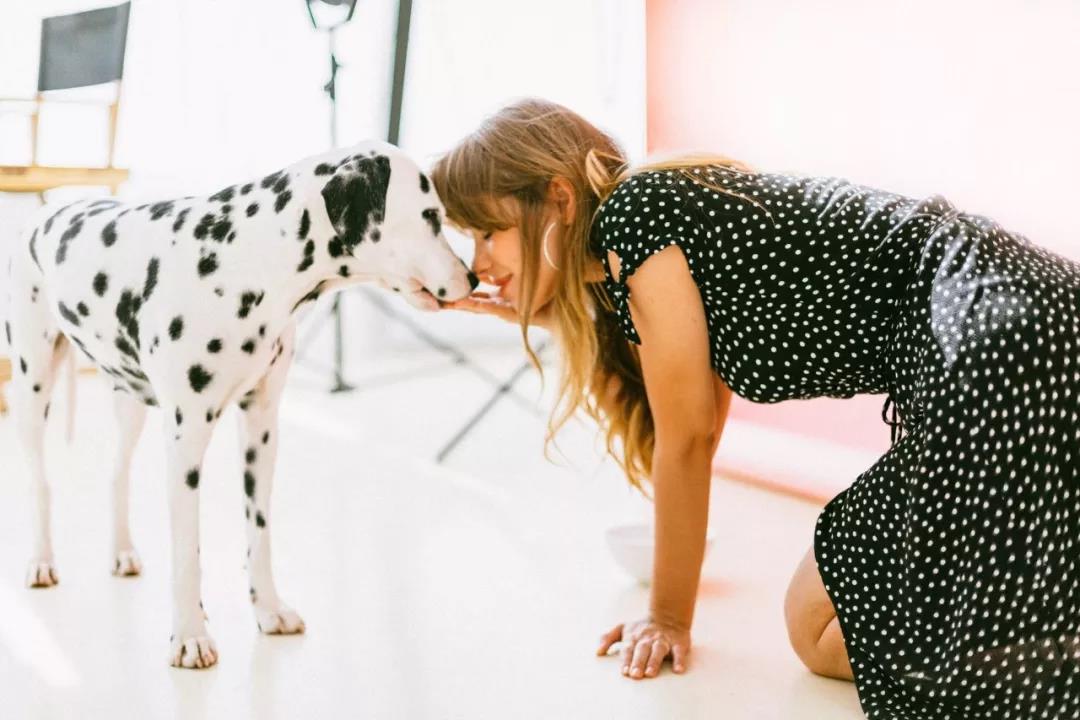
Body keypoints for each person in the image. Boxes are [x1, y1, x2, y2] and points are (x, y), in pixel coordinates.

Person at [431, 97, 1080, 718]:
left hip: (994, 334)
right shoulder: (644, 241)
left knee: (847, 634)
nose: (481, 264)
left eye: (489, 233)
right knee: (827, 631)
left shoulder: (636, 215)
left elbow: (689, 439)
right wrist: (543, 314)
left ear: (559, 199)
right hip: (1018, 315)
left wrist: (667, 618)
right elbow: (688, 427)